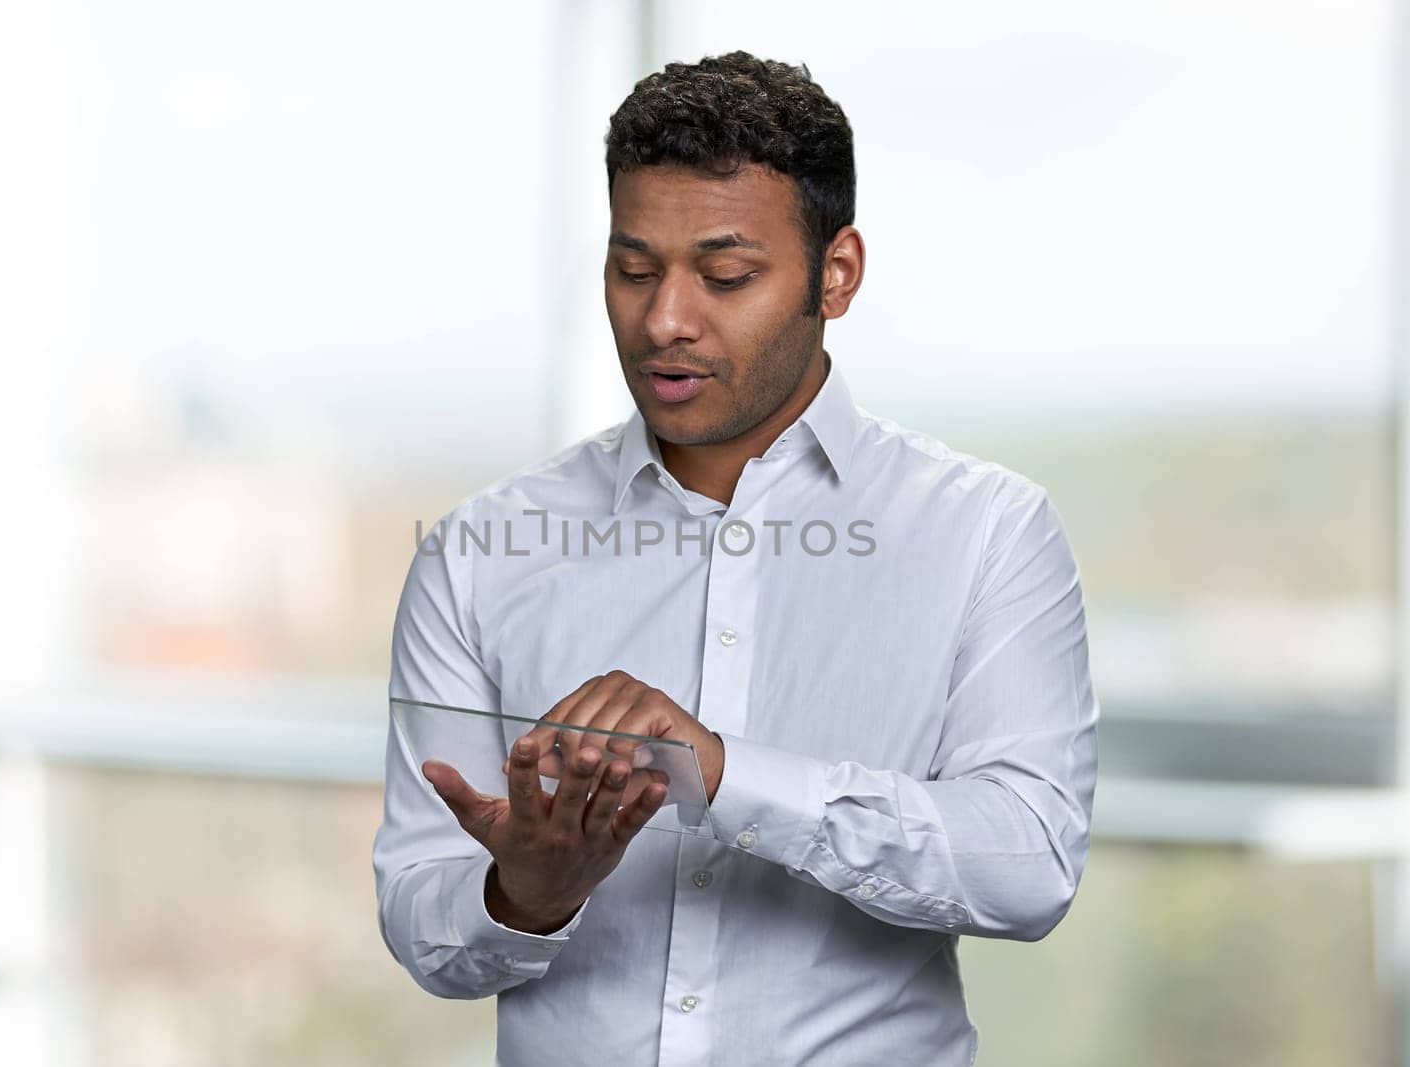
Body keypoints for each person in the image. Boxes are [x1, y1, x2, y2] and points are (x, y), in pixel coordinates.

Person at [372, 50, 1098, 1066]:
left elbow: (1028, 863)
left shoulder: (986, 531)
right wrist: (525, 893)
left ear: (834, 273)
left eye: (725, 275)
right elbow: (421, 920)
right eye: (633, 269)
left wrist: (724, 773)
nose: (665, 318)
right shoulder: (479, 553)